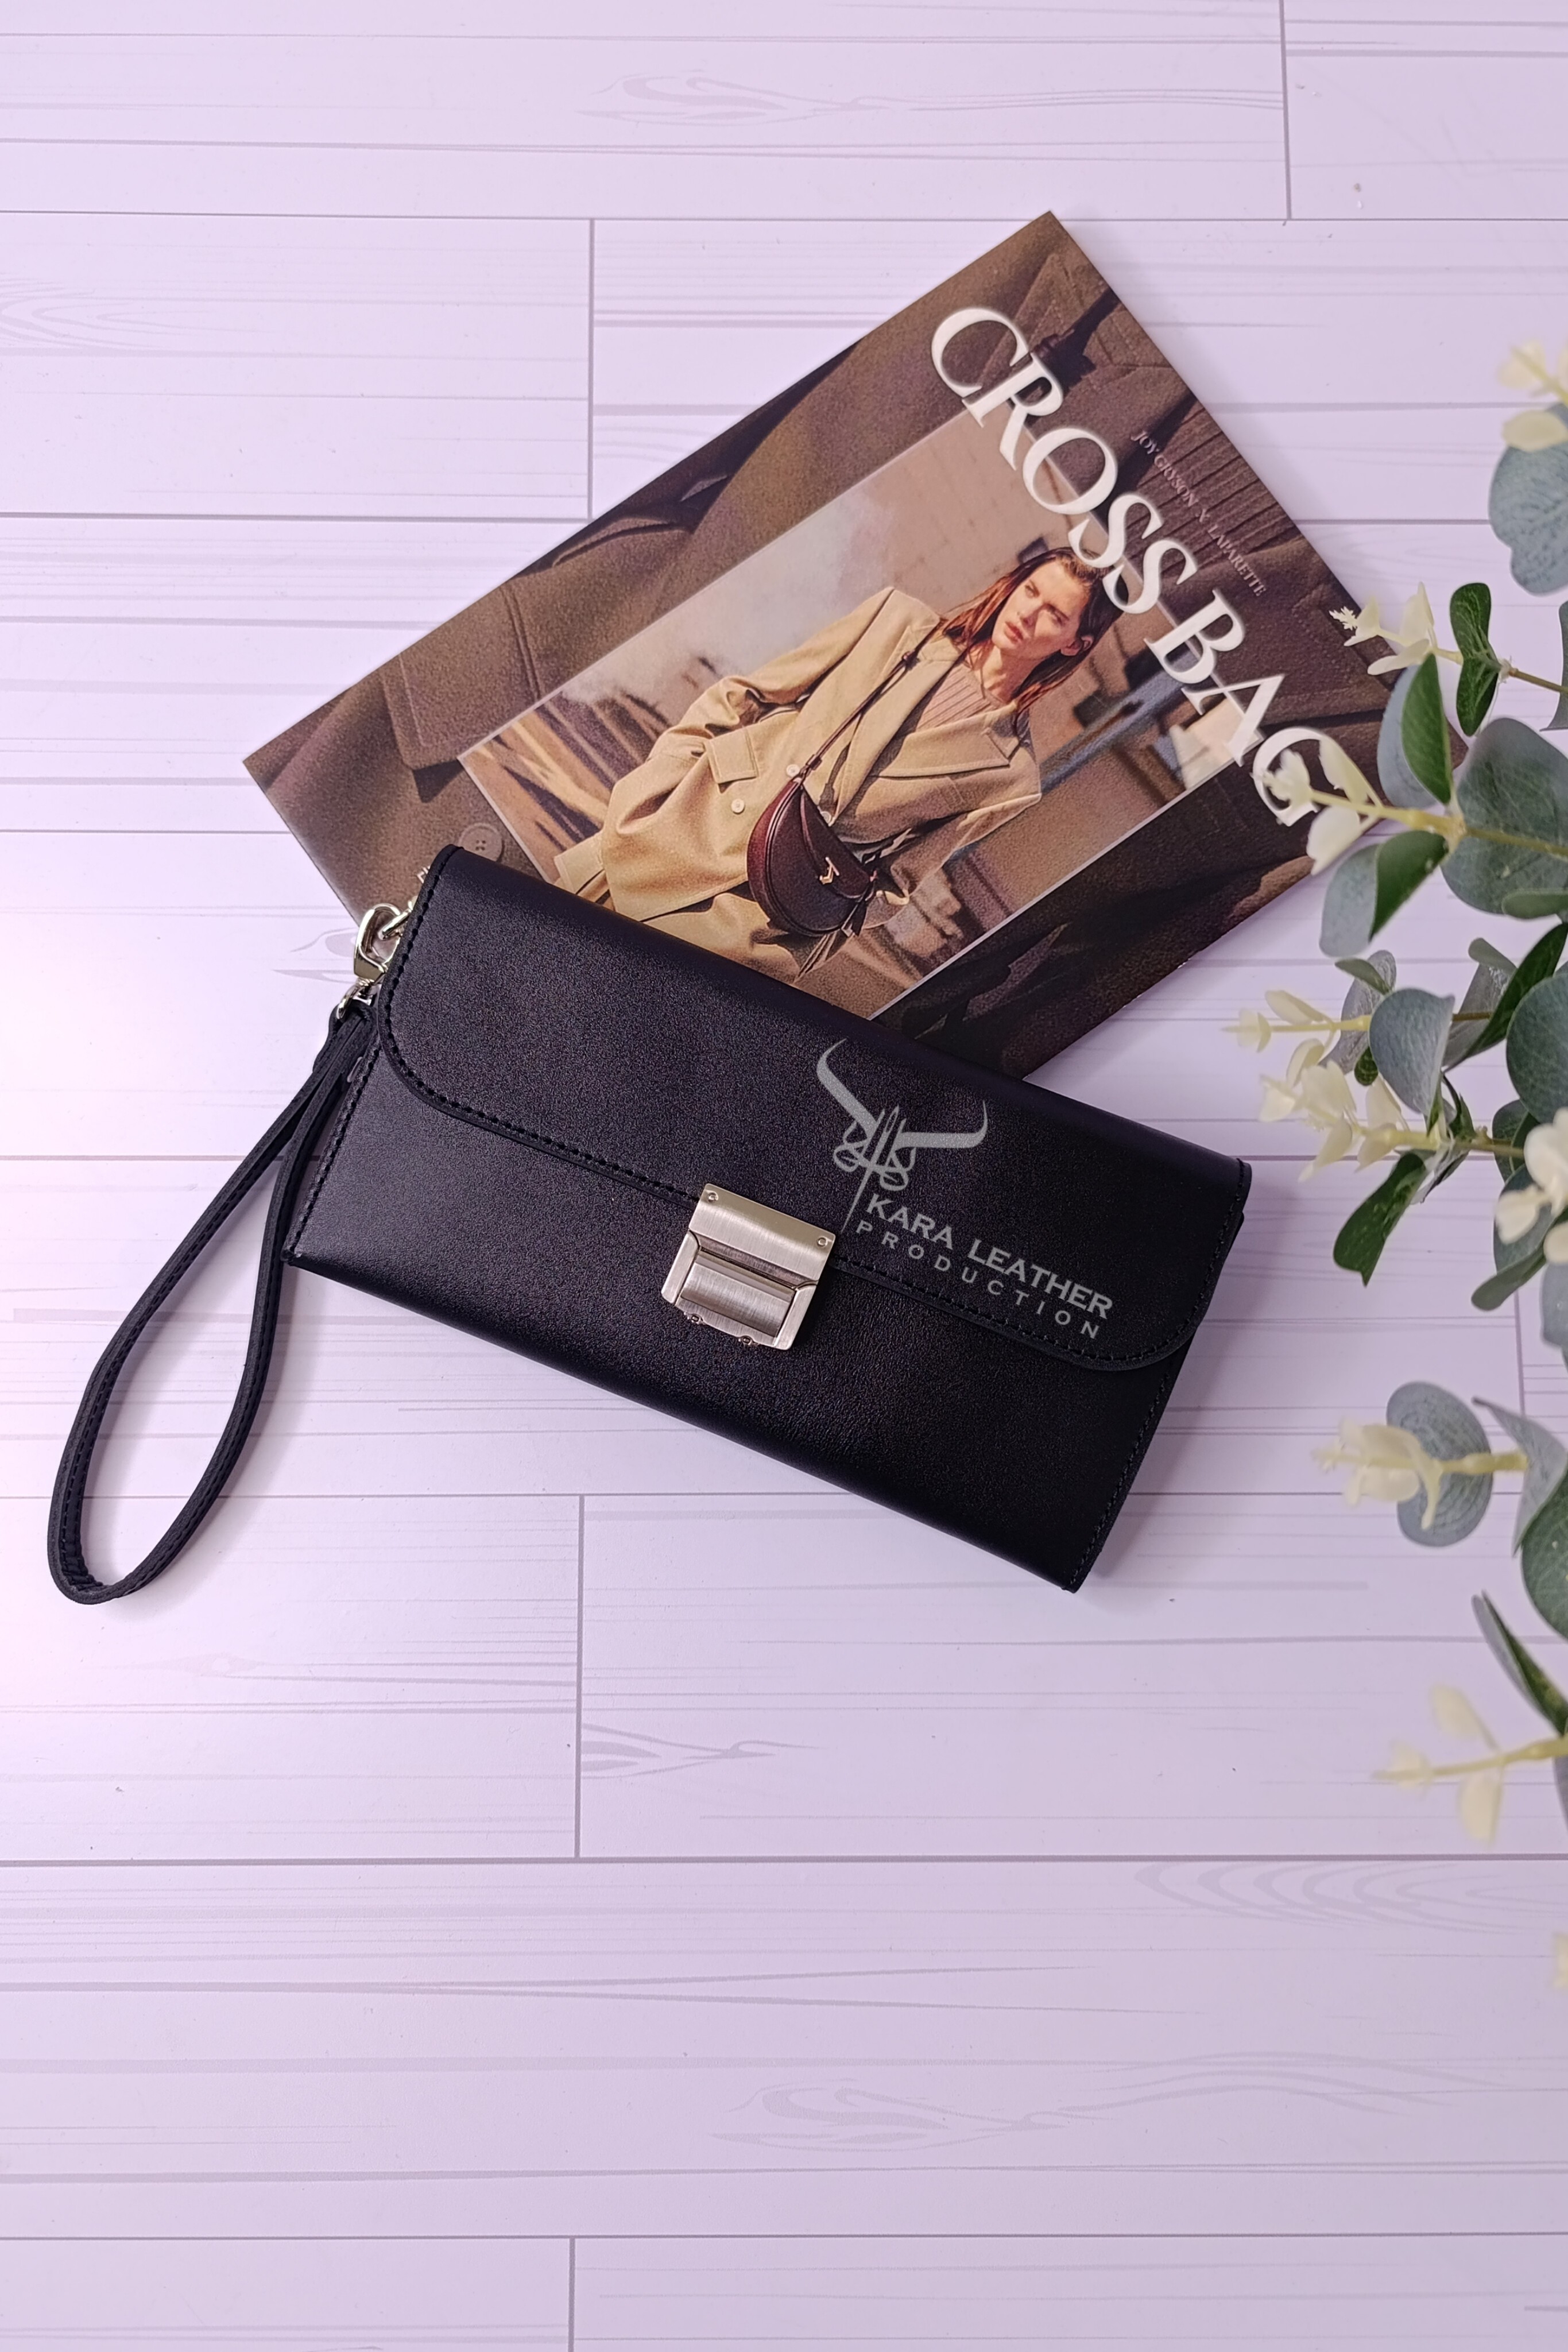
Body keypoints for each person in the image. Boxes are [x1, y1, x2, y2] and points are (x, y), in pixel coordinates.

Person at [554, 550, 1118, 981]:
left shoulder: (1012, 775)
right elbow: (750, 692)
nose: (1029, 613)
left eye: (1055, 614)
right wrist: (667, 771)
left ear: (1074, 643)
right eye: (1031, 590)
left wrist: (807, 938)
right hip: (692, 820)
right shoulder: (899, 622)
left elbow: (900, 877)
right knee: (543, 938)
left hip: (765, 904)